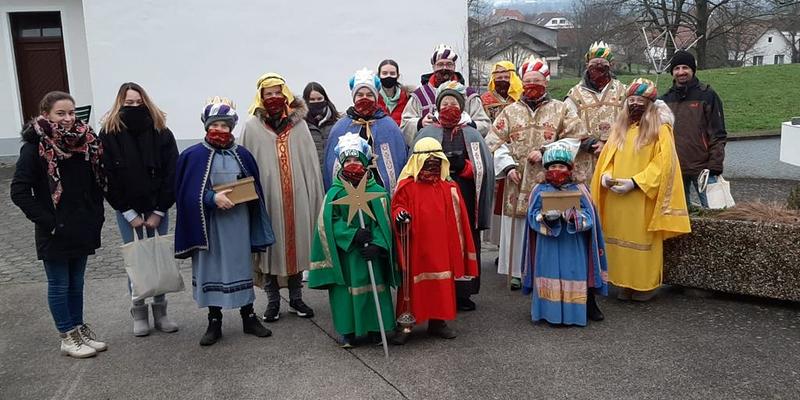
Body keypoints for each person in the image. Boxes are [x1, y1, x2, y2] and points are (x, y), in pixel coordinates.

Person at [11, 91, 107, 358]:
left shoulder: (84, 143)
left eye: (71, 113)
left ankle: (78, 328)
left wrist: (94, 215)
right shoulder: (34, 147)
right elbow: (19, 191)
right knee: (59, 284)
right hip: (54, 230)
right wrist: (50, 223)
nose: (67, 118)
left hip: (81, 226)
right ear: (46, 115)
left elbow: (93, 182)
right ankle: (67, 335)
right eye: (60, 113)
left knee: (76, 283)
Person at [175, 97, 274, 346]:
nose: (220, 129)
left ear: (231, 128)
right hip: (209, 225)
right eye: (215, 125)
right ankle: (214, 320)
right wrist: (211, 198)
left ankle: (248, 317)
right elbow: (185, 193)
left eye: (225, 125)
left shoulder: (242, 155)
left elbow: (254, 186)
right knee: (212, 268)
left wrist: (246, 194)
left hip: (238, 223)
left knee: (241, 266)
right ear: (207, 126)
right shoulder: (192, 156)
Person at [484, 56, 589, 291]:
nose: (532, 85)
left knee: (549, 220)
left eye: (537, 80)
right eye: (528, 80)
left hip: (550, 179)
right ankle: (517, 271)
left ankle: (544, 270)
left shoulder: (561, 109)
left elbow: (575, 138)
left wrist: (545, 151)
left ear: (546, 82)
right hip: (517, 179)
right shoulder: (510, 111)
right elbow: (493, 141)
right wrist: (508, 166)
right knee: (518, 224)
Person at [591, 78, 691, 301]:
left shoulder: (660, 128)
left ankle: (644, 286)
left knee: (641, 240)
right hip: (617, 196)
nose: (635, 104)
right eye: (632, 99)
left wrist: (636, 182)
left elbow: (663, 164)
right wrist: (606, 175)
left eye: (640, 100)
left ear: (650, 103)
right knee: (616, 238)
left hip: (641, 195)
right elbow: (608, 156)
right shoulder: (621, 128)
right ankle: (623, 283)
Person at [240, 73, 324, 322]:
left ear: (285, 94)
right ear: (261, 97)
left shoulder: (299, 126)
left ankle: (296, 298)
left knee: (297, 247)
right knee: (269, 250)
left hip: (297, 199)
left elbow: (310, 164)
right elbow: (244, 166)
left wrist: (312, 195)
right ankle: (273, 301)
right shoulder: (252, 127)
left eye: (278, 92)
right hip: (267, 200)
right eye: (269, 94)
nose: (274, 97)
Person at [99, 82, 179, 337]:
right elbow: (107, 176)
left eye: (138, 102)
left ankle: (161, 311)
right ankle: (139, 310)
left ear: (145, 101)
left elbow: (172, 172)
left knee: (158, 257)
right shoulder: (109, 133)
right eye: (128, 103)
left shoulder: (161, 130)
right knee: (136, 259)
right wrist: (128, 213)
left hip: (157, 206)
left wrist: (160, 210)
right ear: (120, 104)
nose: (134, 106)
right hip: (127, 209)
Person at [309, 133, 398, 348]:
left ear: (365, 162)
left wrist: (378, 244)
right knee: (346, 292)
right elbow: (329, 223)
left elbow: (385, 222)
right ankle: (348, 331)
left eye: (356, 159)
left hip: (371, 253)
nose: (352, 164)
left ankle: (377, 329)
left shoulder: (377, 192)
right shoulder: (335, 193)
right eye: (347, 160)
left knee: (375, 288)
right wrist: (351, 235)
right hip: (347, 254)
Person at [414, 81, 494, 311]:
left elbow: (484, 168)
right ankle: (439, 290)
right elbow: (414, 167)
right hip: (434, 197)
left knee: (464, 241)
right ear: (438, 107)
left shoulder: (472, 133)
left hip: (464, 197)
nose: (449, 106)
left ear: (461, 107)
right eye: (445, 103)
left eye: (454, 103)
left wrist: (465, 167)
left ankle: (463, 293)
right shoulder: (426, 133)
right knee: (438, 242)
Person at [390, 138, 479, 345]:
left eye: (436, 160)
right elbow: (397, 206)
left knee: (441, 282)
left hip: (441, 245)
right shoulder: (407, 186)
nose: (432, 165)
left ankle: (438, 322)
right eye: (427, 161)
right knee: (412, 285)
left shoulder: (449, 187)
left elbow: (458, 218)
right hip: (416, 244)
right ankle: (405, 324)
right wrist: (400, 214)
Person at [522, 139, 608, 326]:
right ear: (546, 168)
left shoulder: (580, 189)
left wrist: (574, 217)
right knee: (549, 273)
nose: (557, 170)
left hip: (573, 243)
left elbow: (590, 217)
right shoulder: (539, 189)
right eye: (553, 166)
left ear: (570, 168)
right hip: (547, 244)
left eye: (561, 166)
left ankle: (576, 312)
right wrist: (545, 218)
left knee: (573, 273)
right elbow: (532, 216)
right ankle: (549, 313)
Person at [659, 50, 727, 209]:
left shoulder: (707, 95)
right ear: (672, 72)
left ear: (693, 70)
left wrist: (715, 165)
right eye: (677, 68)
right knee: (679, 215)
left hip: (703, 169)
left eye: (685, 68)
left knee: (714, 211)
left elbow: (718, 133)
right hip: (675, 169)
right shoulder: (664, 100)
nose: (681, 72)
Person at [324, 68, 408, 194]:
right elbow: (331, 166)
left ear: (376, 97)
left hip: (380, 192)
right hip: (348, 193)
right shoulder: (340, 127)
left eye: (369, 95)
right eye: (360, 95)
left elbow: (399, 162)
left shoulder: (389, 126)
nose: (365, 98)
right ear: (354, 97)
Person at [400, 44, 491, 143]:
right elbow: (404, 125)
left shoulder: (469, 95)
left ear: (454, 66)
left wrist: (469, 125)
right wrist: (420, 123)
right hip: (430, 148)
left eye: (449, 64)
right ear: (433, 67)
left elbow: (485, 125)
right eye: (440, 64)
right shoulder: (420, 96)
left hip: (463, 148)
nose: (444, 68)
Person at [565, 41, 627, 181]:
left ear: (611, 65)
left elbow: (632, 123)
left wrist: (609, 144)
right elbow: (568, 126)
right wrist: (591, 144)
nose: (598, 67)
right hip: (585, 161)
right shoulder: (574, 95)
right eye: (594, 63)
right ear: (587, 65)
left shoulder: (624, 91)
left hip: (617, 155)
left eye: (603, 63)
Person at [480, 61, 522, 254]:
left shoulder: (520, 98)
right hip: (493, 150)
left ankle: (514, 245)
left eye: (506, 77)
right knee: (495, 198)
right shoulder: (485, 100)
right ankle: (499, 244)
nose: (503, 80)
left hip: (517, 151)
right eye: (499, 77)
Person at [303, 82, 340, 169]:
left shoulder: (336, 123)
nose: (316, 102)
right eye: (312, 100)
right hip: (311, 171)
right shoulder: (301, 125)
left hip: (333, 171)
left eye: (319, 99)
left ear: (325, 99)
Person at [376, 59, 412, 126]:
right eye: (384, 73)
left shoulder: (408, 97)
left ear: (397, 76)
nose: (388, 76)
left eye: (392, 73)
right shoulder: (373, 98)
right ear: (378, 75)